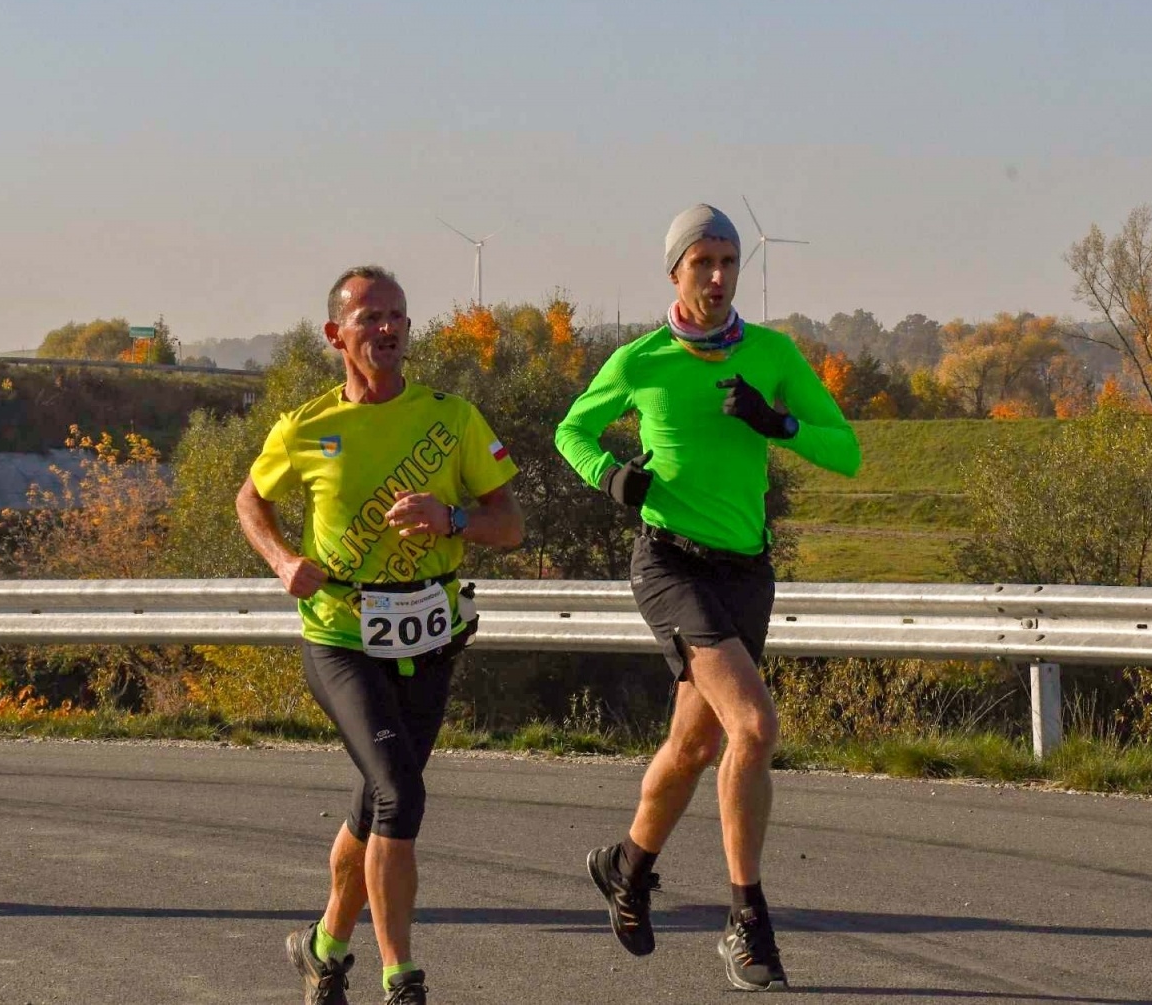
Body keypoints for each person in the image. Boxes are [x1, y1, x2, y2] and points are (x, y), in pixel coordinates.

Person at [555, 204, 861, 991]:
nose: (719, 276)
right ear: (675, 273)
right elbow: (571, 432)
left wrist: (778, 421)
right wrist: (612, 476)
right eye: (704, 263)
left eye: (729, 262)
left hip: (746, 570)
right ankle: (746, 921)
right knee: (753, 726)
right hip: (670, 565)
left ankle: (626, 867)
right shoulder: (642, 359)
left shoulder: (772, 353)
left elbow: (848, 452)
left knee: (694, 747)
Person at [236, 265, 524, 1005]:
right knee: (399, 794)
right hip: (341, 636)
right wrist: (281, 560)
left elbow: (511, 525)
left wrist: (451, 517)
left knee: (377, 801)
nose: (388, 329)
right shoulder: (307, 427)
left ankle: (325, 946)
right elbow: (250, 499)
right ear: (337, 334)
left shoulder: (452, 418)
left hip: (430, 635)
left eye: (398, 316)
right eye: (371, 318)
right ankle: (402, 975)